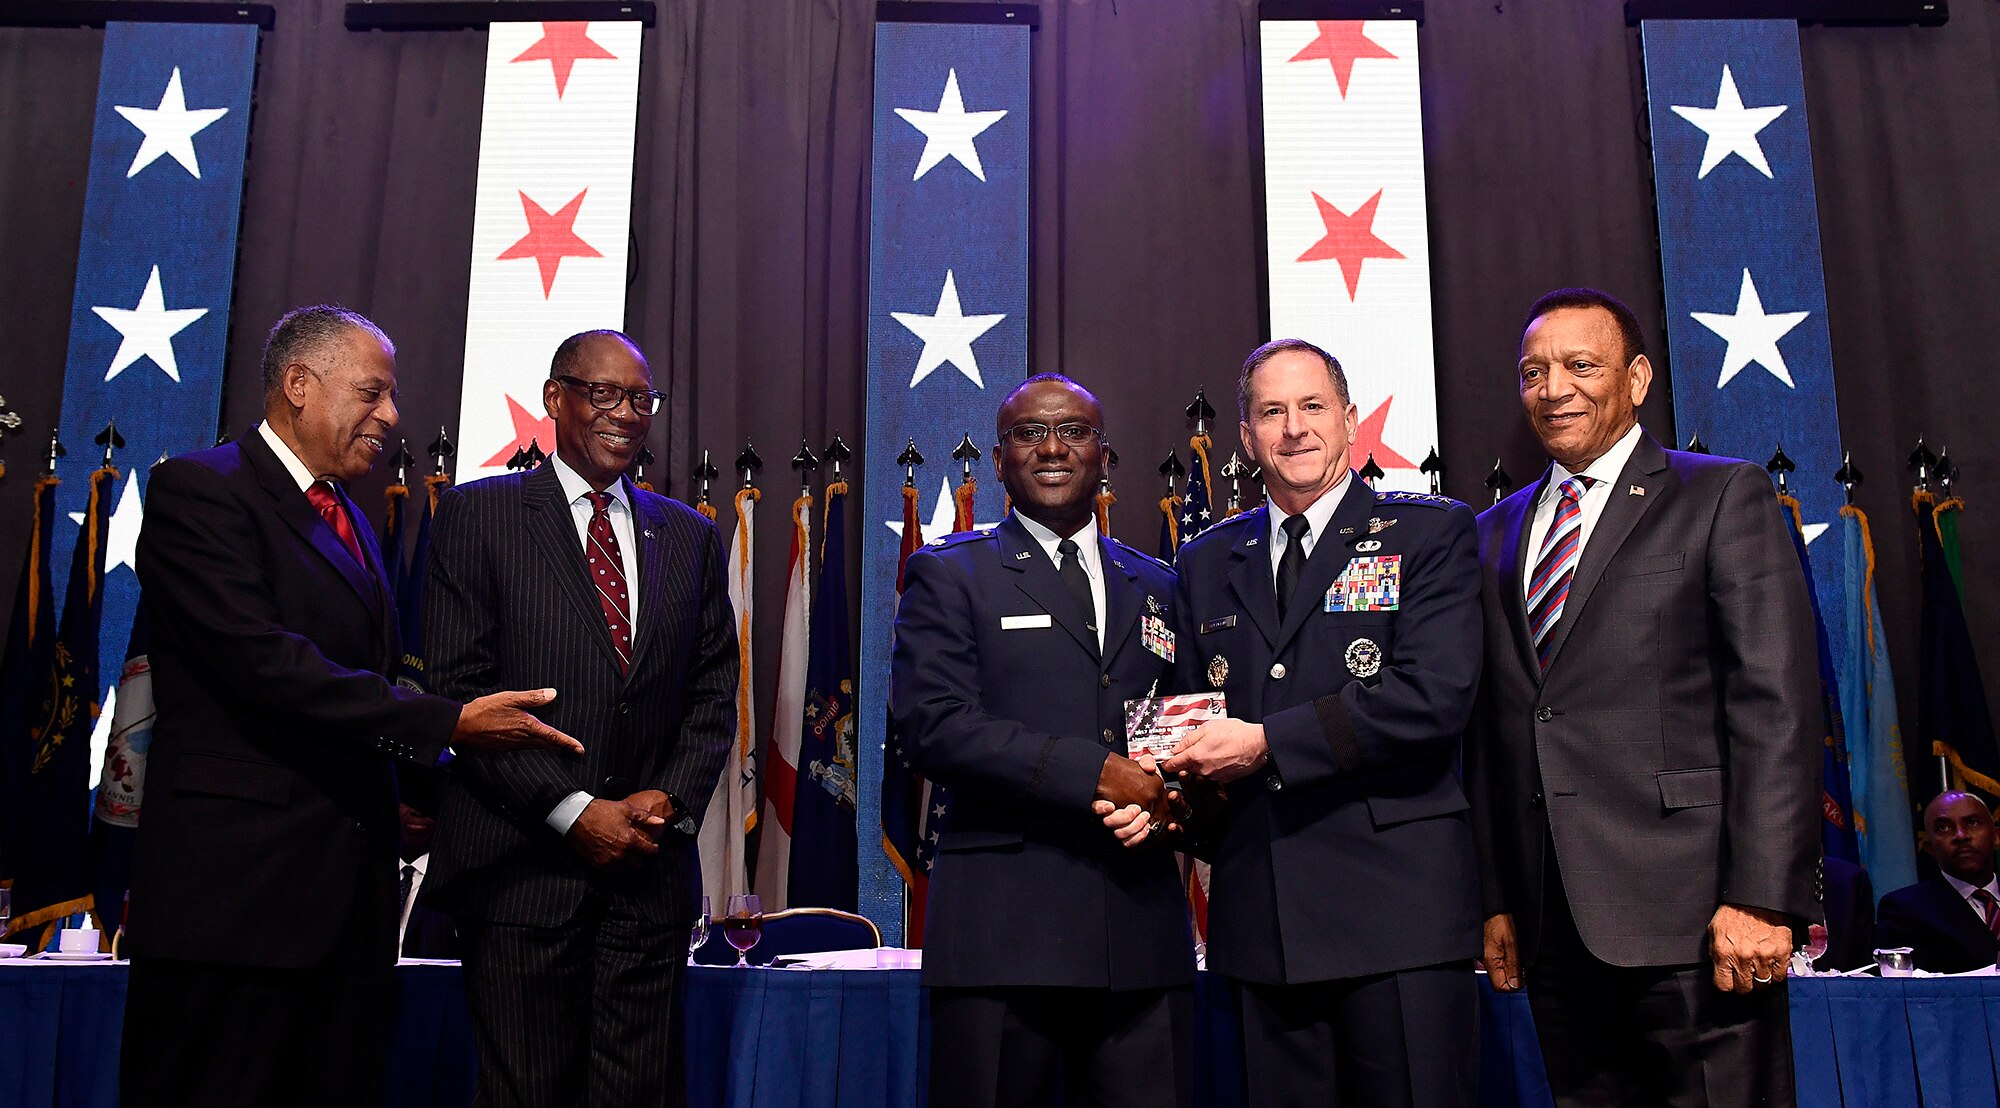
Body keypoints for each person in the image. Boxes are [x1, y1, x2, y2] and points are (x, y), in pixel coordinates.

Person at [122, 305, 583, 1107]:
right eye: (373, 393)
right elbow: (263, 664)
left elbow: (371, 679)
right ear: (299, 385)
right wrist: (449, 724)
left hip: (343, 914)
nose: (392, 417)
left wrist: (432, 792)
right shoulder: (198, 491)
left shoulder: (354, 524)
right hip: (234, 910)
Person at [1471, 288, 1821, 1106]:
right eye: (1533, 372)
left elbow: (1776, 711)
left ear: (1637, 378)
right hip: (1554, 927)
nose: (1553, 387)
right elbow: (1492, 732)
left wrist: (1762, 897)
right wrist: (1498, 899)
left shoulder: (1721, 495)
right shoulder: (1493, 534)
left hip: (1700, 923)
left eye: (1579, 365)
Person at [1162, 339, 1484, 1107]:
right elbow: (1184, 713)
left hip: (1397, 920)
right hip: (1260, 916)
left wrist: (1268, 742)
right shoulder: (1205, 561)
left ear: (1348, 422)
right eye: (1272, 412)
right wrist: (1156, 785)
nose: (1294, 429)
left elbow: (1433, 696)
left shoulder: (1428, 535)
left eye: (1312, 408)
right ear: (1246, 437)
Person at [423, 329, 736, 1108]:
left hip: (649, 880)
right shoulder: (477, 516)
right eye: (604, 394)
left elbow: (712, 697)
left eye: (640, 398)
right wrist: (574, 812)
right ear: (555, 399)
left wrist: (668, 802)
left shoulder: (690, 535)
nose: (626, 413)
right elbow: (459, 696)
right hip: (520, 878)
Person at [891, 373, 1195, 1108]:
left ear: (1105, 454)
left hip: (1137, 931)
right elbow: (933, 726)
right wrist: (1098, 774)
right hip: (1003, 939)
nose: (1052, 448)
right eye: (1029, 434)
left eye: (1074, 432)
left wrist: (1168, 799)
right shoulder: (948, 572)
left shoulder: (1156, 582)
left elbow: (1177, 722)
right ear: (998, 461)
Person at [1876, 791, 2000, 973]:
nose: (1961, 835)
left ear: (1996, 837)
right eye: (1944, 828)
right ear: (1930, 848)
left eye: (1972, 823)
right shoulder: (1904, 909)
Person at [395, 801, 459, 959]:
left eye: (427, 799)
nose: (417, 811)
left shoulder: (458, 883)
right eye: (406, 800)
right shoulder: (364, 873)